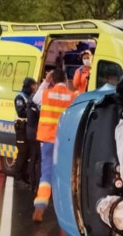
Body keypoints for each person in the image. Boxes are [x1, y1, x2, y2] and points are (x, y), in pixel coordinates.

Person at [32, 68, 78, 222]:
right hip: (63, 141)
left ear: (52, 79)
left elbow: (34, 99)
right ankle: (66, 211)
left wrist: (45, 81)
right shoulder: (72, 97)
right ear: (65, 80)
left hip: (47, 141)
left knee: (46, 173)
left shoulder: (46, 94)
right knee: (64, 174)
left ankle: (40, 206)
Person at [14, 77, 38, 186]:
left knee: (28, 153)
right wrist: (31, 112)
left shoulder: (30, 97)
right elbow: (20, 112)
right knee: (22, 153)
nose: (35, 88)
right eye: (34, 85)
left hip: (28, 128)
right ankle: (18, 178)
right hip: (21, 128)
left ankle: (25, 176)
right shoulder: (20, 97)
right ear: (29, 85)